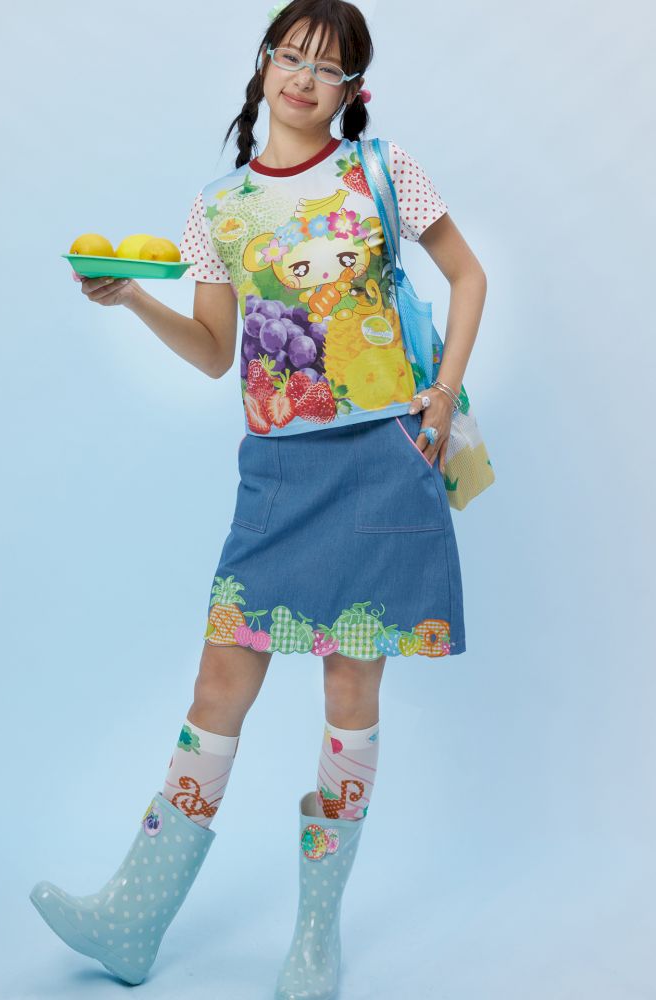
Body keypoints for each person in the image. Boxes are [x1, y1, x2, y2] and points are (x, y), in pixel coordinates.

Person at [29, 0, 488, 996]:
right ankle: (131, 920)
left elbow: (468, 276)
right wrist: (135, 297)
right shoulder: (218, 209)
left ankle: (315, 940)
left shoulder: (383, 172)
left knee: (349, 694)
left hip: (381, 461)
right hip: (278, 473)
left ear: (353, 89)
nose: (305, 78)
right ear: (265, 65)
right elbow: (214, 354)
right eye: (291, 56)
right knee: (218, 686)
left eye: (329, 66)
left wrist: (443, 396)